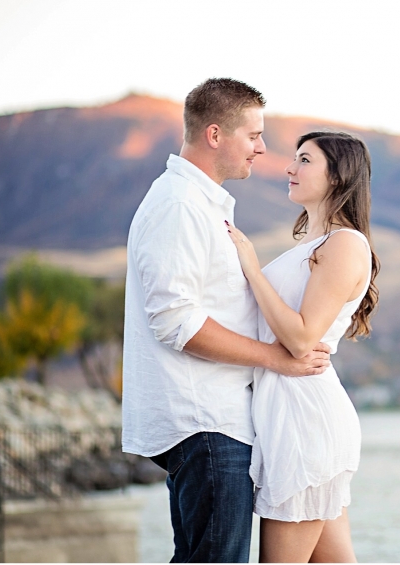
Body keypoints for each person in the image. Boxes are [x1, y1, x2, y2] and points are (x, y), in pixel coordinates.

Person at [122, 78, 333, 563]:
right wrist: (277, 360)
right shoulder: (179, 206)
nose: (262, 149)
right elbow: (176, 321)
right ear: (215, 135)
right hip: (205, 421)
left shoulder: (201, 204)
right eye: (253, 135)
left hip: (214, 419)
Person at [226, 130, 380, 563]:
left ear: (338, 176)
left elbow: (299, 338)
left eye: (305, 160)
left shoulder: (345, 244)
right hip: (288, 412)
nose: (290, 169)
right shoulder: (312, 246)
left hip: (304, 418)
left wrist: (253, 271)